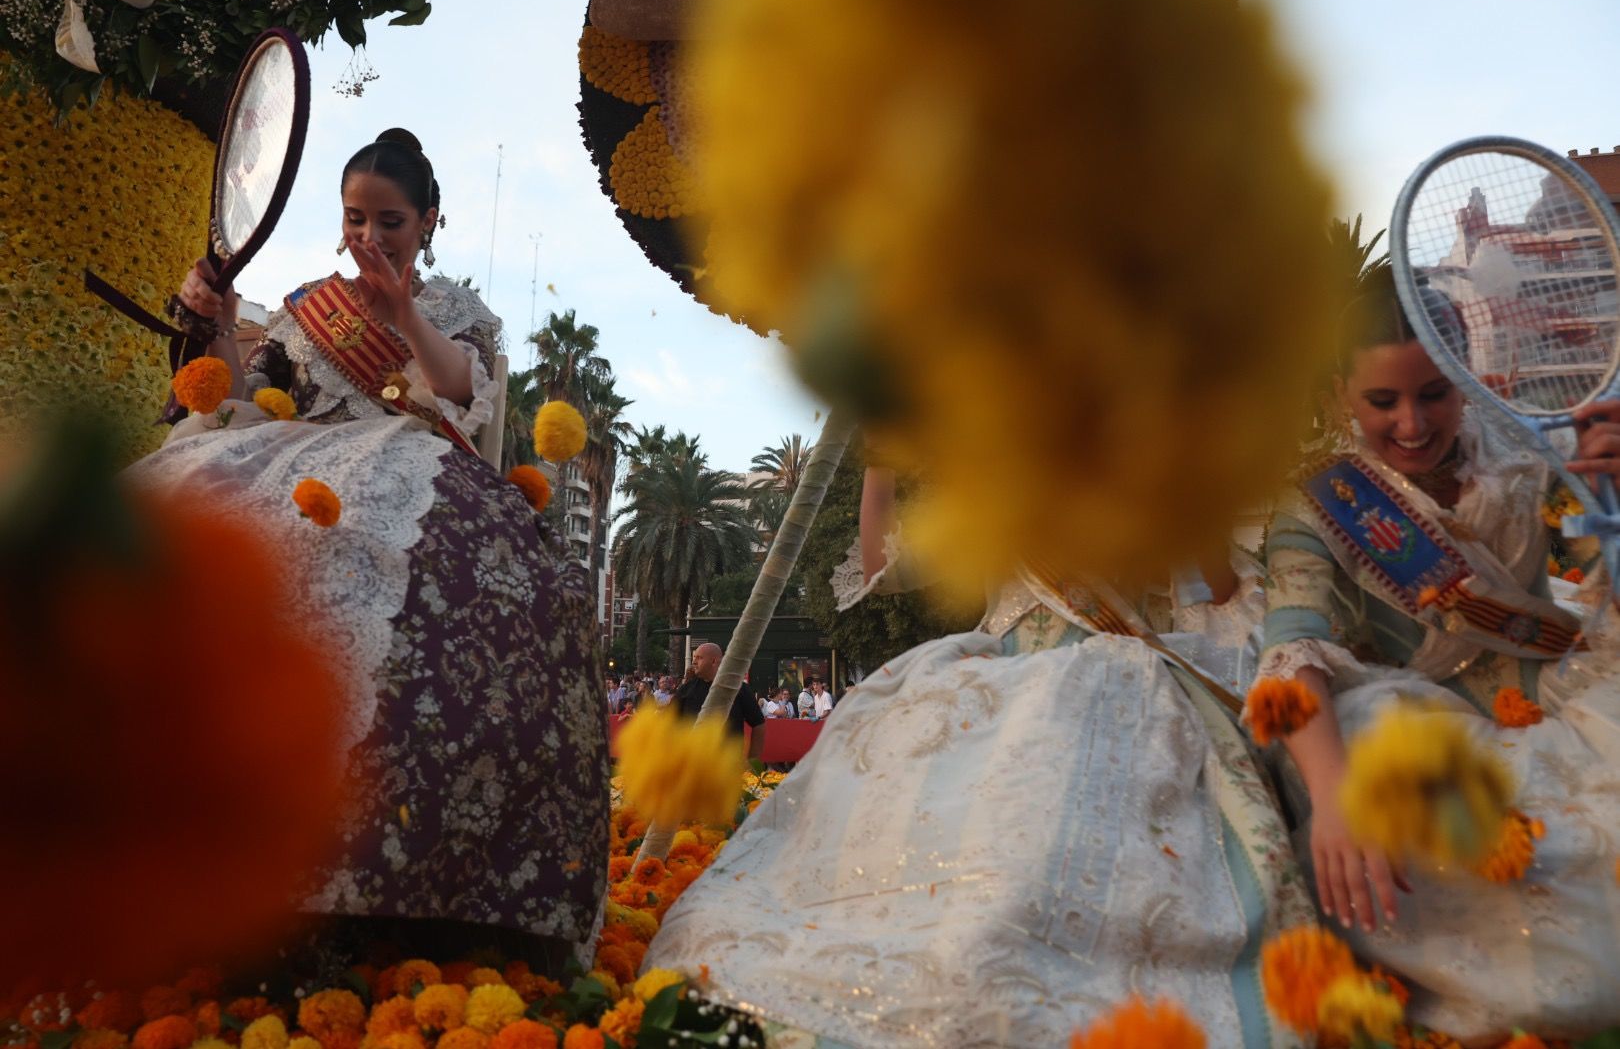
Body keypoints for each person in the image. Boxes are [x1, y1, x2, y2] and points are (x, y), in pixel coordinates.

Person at [126, 128, 608, 969]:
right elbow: (245, 399)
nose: (369, 238)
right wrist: (213, 325)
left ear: (427, 221)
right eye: (355, 219)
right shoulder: (306, 302)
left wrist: (402, 310)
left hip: (406, 465)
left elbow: (460, 391)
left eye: (389, 220)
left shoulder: (460, 310)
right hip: (285, 459)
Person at [644, 466, 1308, 1046]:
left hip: (1111, 684)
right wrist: (880, 462)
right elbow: (884, 570)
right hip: (993, 675)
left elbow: (1217, 589)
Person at [1256, 268, 1620, 1038]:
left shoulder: (1532, 453)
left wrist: (1614, 498)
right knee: (1373, 740)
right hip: (1424, 728)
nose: (1414, 424)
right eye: (1382, 401)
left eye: (1434, 395)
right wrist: (1331, 802)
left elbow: (1600, 582)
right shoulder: (1318, 502)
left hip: (1564, 694)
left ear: (1465, 381)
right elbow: (1292, 649)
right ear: (1337, 394)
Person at [676, 642, 766, 760]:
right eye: (694, 658)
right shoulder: (686, 690)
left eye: (699, 658)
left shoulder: (737, 689)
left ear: (714, 661)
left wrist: (752, 760)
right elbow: (670, 724)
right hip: (694, 764)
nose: (694, 662)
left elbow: (759, 724)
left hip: (727, 765)